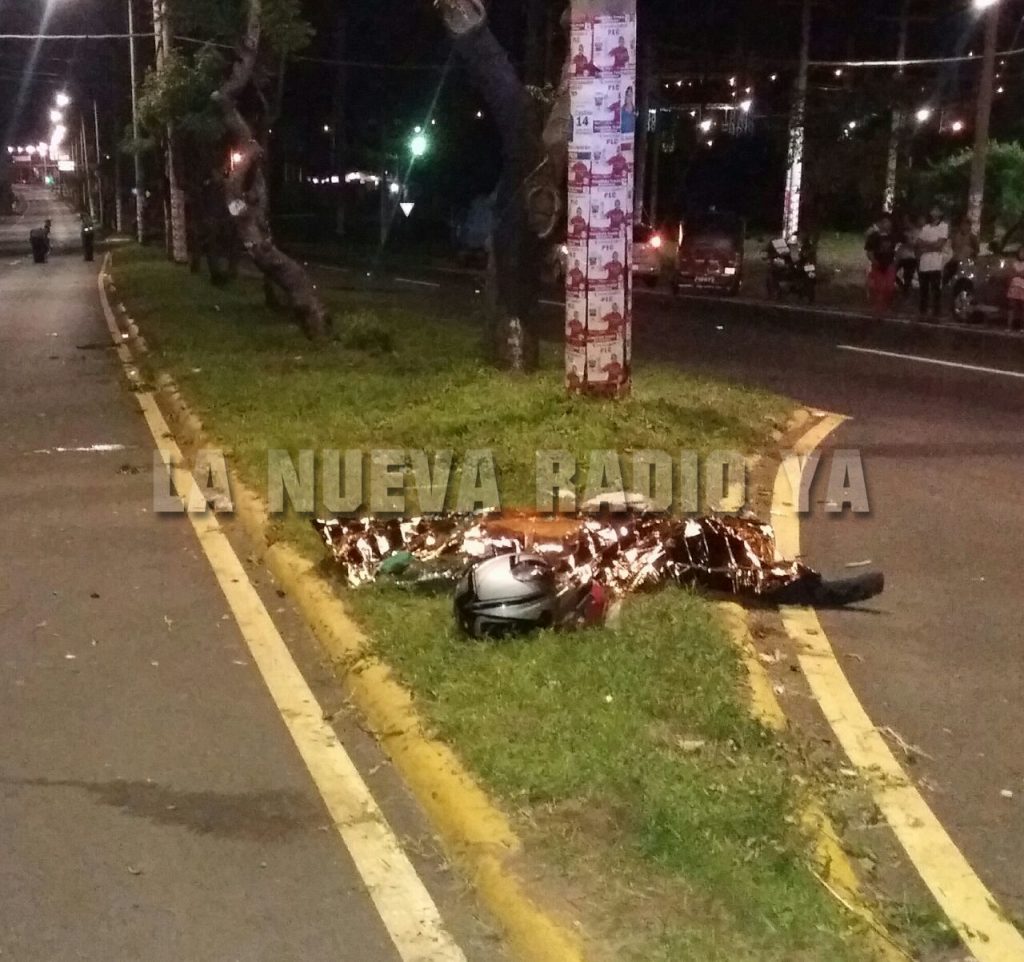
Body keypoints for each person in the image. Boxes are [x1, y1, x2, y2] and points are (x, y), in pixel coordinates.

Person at [917, 205, 949, 320]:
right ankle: (923, 310)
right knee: (924, 288)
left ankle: (936, 311)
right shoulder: (925, 228)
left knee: (935, 287)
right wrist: (931, 245)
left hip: (935, 262)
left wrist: (927, 245)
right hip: (924, 262)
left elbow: (940, 244)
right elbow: (919, 243)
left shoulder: (944, 226)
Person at [864, 215, 898, 312]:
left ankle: (887, 305)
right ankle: (878, 306)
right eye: (884, 222)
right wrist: (874, 261)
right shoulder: (874, 237)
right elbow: (869, 251)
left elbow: (896, 250)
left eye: (888, 222)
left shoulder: (893, 237)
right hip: (878, 264)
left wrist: (895, 262)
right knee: (879, 286)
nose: (886, 224)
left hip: (889, 264)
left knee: (889, 287)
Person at [895, 214, 920, 296]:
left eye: (906, 220)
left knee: (907, 277)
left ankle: (906, 293)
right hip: (900, 256)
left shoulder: (916, 232)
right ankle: (901, 286)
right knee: (891, 272)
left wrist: (908, 239)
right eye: (903, 220)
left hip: (911, 258)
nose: (904, 222)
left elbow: (915, 245)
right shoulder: (903, 231)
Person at [1007, 247, 1024, 332]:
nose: (1022, 254)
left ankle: (1022, 327)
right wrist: (1017, 274)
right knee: (1011, 307)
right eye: (1021, 252)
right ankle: (1009, 326)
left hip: (1023, 287)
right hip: (1014, 286)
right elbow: (1010, 273)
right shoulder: (1014, 263)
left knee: (1022, 308)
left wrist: (1018, 274)